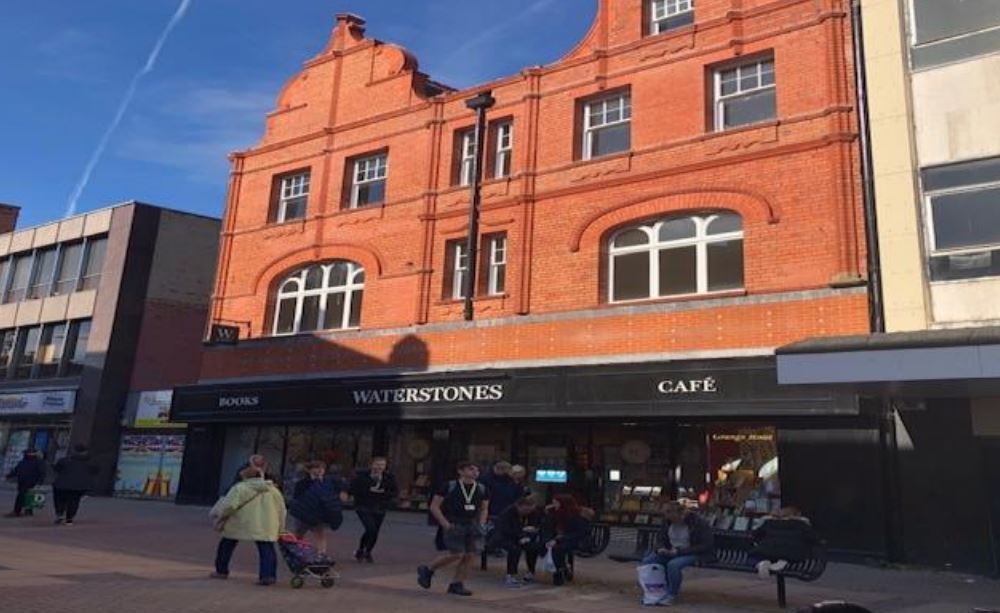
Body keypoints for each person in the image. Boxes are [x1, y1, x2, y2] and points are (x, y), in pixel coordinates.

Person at [417, 461, 489, 597]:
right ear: (461, 471)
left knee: (470, 555)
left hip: (472, 524)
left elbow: (484, 507)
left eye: (477, 470)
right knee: (457, 553)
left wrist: (482, 523)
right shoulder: (449, 486)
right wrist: (445, 523)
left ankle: (457, 583)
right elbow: (434, 506)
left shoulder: (481, 488)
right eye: (471, 469)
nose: (475, 472)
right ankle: (428, 569)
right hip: (455, 523)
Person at [210, 463, 286, 586]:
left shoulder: (239, 488)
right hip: (266, 524)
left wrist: (221, 516)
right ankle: (268, 575)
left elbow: (229, 505)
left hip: (240, 522)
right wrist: (281, 527)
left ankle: (221, 570)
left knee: (226, 544)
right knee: (266, 548)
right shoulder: (273, 490)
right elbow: (281, 510)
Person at [639, 501, 715, 606]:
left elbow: (706, 545)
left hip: (693, 552)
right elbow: (660, 539)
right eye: (665, 513)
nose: (667, 516)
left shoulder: (698, 523)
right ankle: (655, 592)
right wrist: (660, 548)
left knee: (674, 565)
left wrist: (680, 552)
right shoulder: (667, 522)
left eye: (669, 513)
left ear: (679, 513)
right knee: (648, 561)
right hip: (671, 551)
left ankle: (672, 594)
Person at [287, 461, 344, 556]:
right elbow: (297, 498)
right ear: (310, 470)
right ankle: (295, 550)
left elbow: (333, 494)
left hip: (319, 513)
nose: (320, 470)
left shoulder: (328, 482)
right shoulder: (303, 483)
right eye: (316, 468)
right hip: (304, 513)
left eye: (322, 468)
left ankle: (321, 553)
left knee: (319, 533)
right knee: (299, 532)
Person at [349, 456, 398, 563]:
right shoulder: (362, 476)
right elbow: (353, 489)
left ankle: (366, 551)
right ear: (371, 465)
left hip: (380, 506)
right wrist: (369, 491)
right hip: (364, 506)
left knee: (374, 531)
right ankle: (362, 550)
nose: (379, 467)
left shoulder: (389, 477)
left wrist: (383, 494)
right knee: (370, 528)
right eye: (377, 464)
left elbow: (394, 492)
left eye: (382, 465)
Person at [751, 507, 818, 579]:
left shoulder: (769, 522)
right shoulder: (801, 524)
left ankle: (763, 562)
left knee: (754, 557)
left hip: (767, 550)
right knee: (787, 554)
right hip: (791, 552)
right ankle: (783, 561)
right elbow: (814, 537)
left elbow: (755, 534)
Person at [494, 496, 544, 588]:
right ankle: (511, 575)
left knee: (533, 547)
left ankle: (531, 571)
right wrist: (522, 531)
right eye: (526, 510)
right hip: (506, 537)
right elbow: (504, 530)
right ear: (519, 506)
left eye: (530, 510)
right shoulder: (508, 513)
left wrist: (528, 536)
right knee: (514, 549)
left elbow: (535, 527)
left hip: (523, 537)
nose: (527, 512)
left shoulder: (532, 513)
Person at [541, 494, 590, 586]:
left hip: (573, 540)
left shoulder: (576, 516)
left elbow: (579, 533)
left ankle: (559, 571)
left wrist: (559, 539)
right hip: (558, 539)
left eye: (556, 503)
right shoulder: (553, 514)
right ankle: (562, 568)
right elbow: (547, 529)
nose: (554, 505)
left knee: (557, 549)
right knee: (547, 547)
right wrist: (548, 540)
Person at [52, 444, 98, 525]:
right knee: (74, 501)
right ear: (85, 452)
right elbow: (95, 471)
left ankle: (60, 514)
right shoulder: (90, 462)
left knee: (60, 499)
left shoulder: (65, 460)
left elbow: (56, 469)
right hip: (79, 486)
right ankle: (69, 519)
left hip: (62, 484)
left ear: (74, 450)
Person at [5, 449, 46, 517]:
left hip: (31, 482)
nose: (26, 454)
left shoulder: (38, 462)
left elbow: (42, 473)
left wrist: (39, 482)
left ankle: (17, 511)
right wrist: (9, 475)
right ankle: (28, 511)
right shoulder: (23, 461)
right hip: (22, 481)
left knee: (23, 496)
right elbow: (17, 470)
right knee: (26, 496)